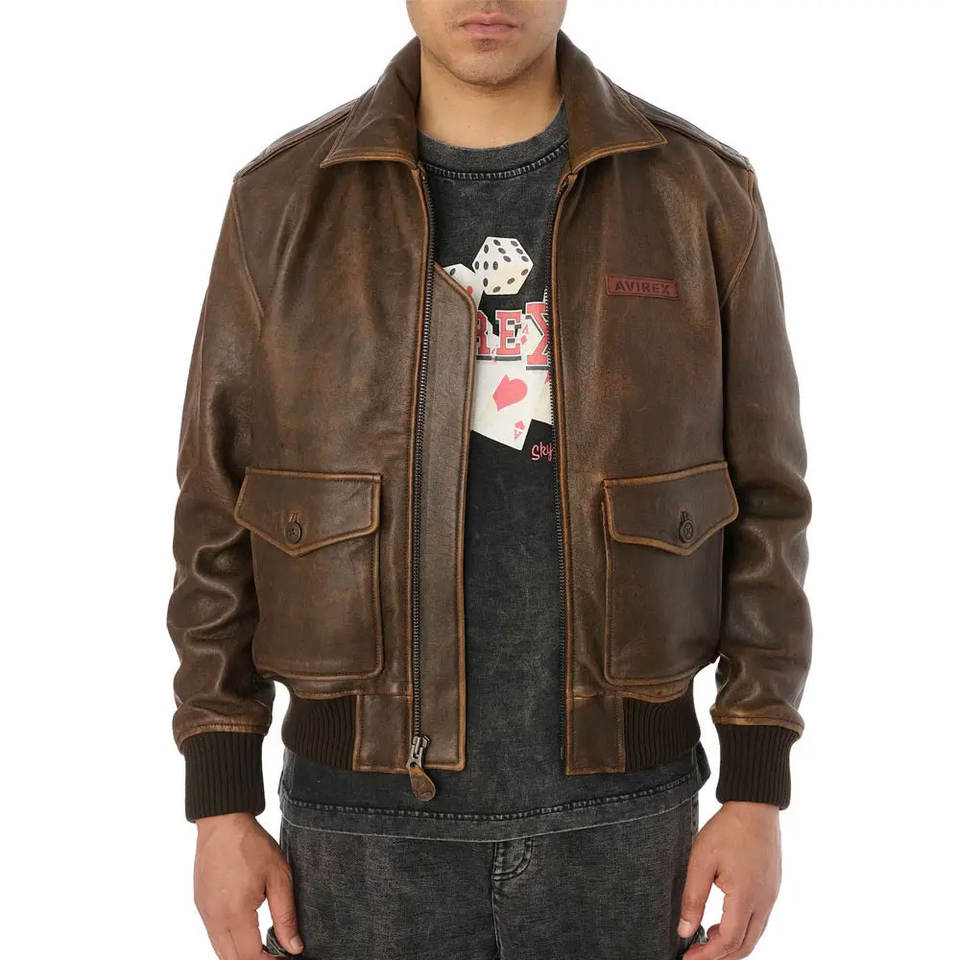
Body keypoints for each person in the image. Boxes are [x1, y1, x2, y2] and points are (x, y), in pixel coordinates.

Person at [167, 3, 812, 958]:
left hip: (628, 820)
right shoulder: (283, 202)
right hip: (359, 828)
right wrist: (221, 803)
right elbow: (215, 517)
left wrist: (756, 789)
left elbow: (768, 506)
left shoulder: (698, 195)